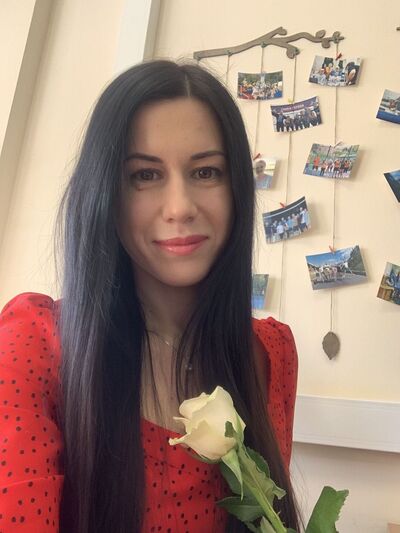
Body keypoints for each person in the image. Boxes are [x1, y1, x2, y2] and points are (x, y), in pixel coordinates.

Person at [0, 60, 300, 532]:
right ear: (104, 193)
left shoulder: (269, 353)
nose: (180, 207)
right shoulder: (30, 347)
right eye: (144, 175)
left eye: (206, 172)